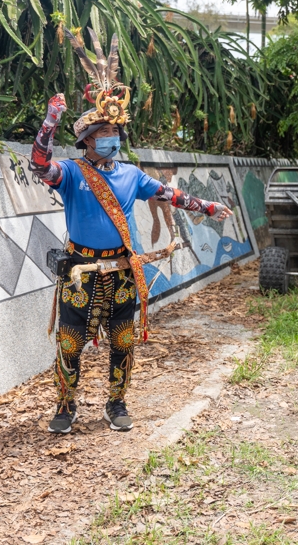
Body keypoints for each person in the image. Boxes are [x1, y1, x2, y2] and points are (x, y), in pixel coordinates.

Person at [30, 29, 232, 434]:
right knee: (70, 344)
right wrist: (49, 123)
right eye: (103, 135)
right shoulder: (71, 172)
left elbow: (170, 195)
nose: (112, 140)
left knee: (122, 343)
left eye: (115, 134)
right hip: (80, 272)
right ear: (87, 141)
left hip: (122, 272)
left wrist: (208, 207)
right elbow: (40, 167)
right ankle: (65, 406)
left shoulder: (131, 175)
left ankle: (116, 403)